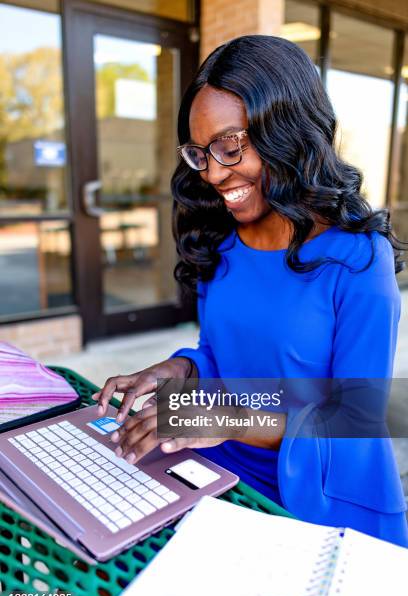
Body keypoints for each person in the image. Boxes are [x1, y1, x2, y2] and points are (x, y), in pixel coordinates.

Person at [94, 35, 408, 547]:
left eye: (230, 145)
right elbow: (223, 359)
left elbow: (357, 419)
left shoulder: (357, 259)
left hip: (317, 496)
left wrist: (220, 417)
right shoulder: (221, 240)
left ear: (288, 129)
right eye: (200, 152)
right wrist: (180, 371)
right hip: (217, 467)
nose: (215, 173)